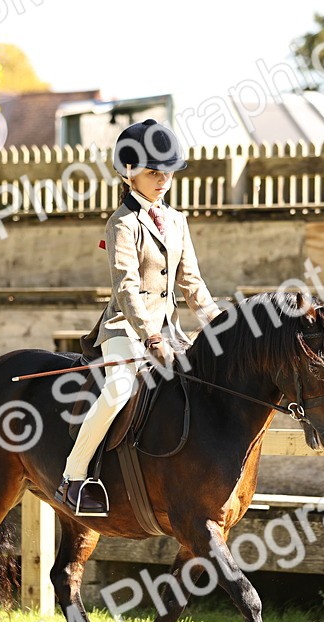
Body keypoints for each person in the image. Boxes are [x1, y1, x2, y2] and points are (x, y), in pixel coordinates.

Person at [56, 119, 221, 516]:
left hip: (169, 329)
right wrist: (151, 337)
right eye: (153, 172)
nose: (163, 180)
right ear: (129, 172)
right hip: (126, 328)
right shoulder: (122, 223)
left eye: (168, 172)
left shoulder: (177, 221)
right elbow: (126, 288)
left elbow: (191, 282)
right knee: (118, 388)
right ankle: (73, 476)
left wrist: (219, 324)